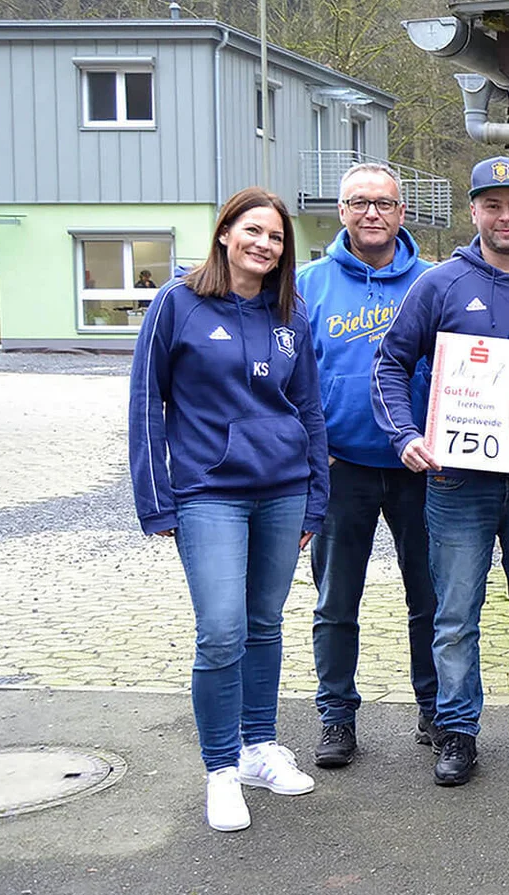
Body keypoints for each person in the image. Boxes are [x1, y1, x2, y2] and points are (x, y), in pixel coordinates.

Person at [372, 157, 509, 787]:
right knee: (456, 614)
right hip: (457, 483)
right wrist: (405, 435)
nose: (505, 216)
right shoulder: (437, 285)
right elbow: (388, 365)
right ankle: (457, 729)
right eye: (491, 205)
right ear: (474, 212)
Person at [129, 187, 329, 832]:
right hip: (207, 494)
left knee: (264, 622)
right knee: (221, 630)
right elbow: (145, 406)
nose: (264, 245)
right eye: (252, 231)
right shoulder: (176, 304)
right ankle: (220, 769)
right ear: (224, 234)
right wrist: (155, 501)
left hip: (282, 490)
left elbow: (310, 411)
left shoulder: (289, 312)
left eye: (275, 237)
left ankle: (258, 750)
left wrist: (314, 501)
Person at [298, 162, 438, 768]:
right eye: (359, 203)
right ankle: (335, 716)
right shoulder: (306, 285)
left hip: (422, 467)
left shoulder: (436, 283)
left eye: (383, 203)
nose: (371, 213)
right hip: (341, 467)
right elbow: (289, 377)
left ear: (402, 212)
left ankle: (437, 709)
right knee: (336, 601)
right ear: (342, 211)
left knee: (432, 597)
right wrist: (311, 448)